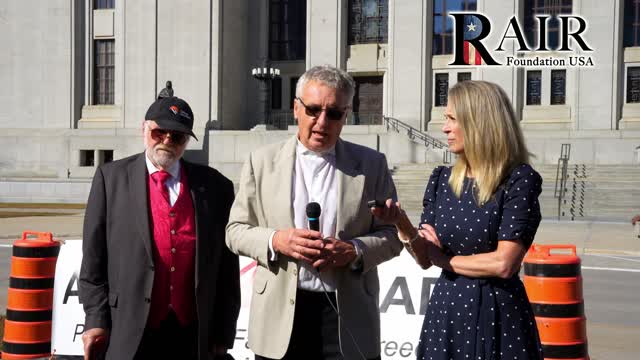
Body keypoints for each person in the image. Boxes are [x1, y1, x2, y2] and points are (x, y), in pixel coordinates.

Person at [225, 65, 402, 360]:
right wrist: (276, 241)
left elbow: (394, 236)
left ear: (346, 115)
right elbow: (235, 231)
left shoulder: (372, 164)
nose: (322, 122)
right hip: (279, 318)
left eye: (334, 113)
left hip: (349, 318)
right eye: (313, 110)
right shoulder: (261, 161)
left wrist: (355, 250)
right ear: (296, 108)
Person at [374, 80, 544, 359]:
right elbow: (424, 257)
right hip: (447, 311)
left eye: (453, 119)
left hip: (497, 315)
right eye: (446, 119)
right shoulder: (441, 180)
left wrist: (446, 260)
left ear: (479, 123)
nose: (445, 128)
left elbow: (504, 263)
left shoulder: (518, 180)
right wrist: (402, 224)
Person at [79, 84, 240, 360]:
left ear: (187, 142)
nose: (166, 140)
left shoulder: (215, 187)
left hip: (192, 331)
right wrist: (96, 318)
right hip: (128, 329)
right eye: (159, 132)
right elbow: (93, 261)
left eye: (177, 137)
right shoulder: (111, 179)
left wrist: (223, 334)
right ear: (144, 129)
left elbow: (227, 270)